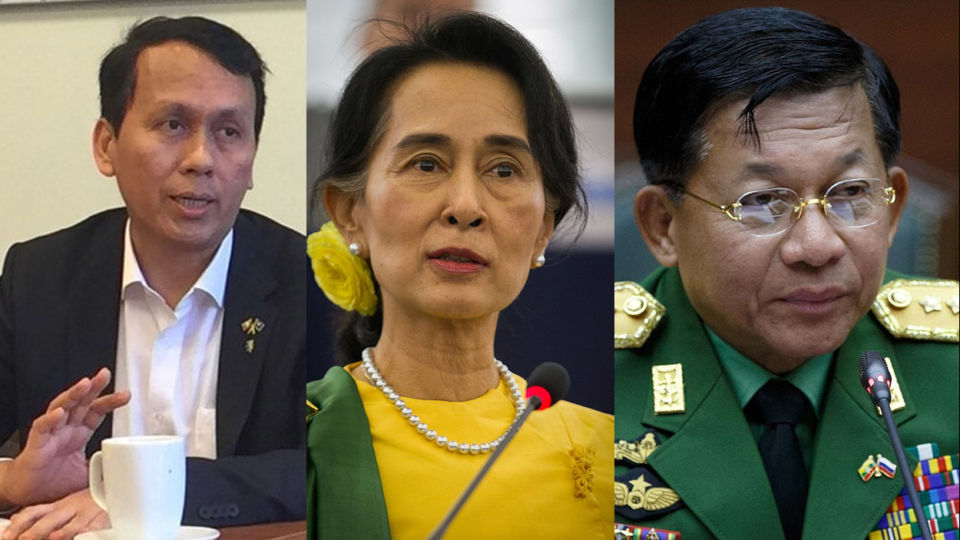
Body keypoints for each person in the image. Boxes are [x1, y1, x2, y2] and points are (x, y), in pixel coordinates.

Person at [615, 7, 959, 540]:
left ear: (892, 211)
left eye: (850, 194)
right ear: (663, 225)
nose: (817, 246)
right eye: (762, 202)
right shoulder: (577, 393)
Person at [306, 12, 613, 540]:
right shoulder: (304, 439)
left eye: (503, 170)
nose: (466, 207)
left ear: (543, 228)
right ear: (349, 211)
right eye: (426, 164)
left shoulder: (610, 452)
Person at [0, 16, 304, 539]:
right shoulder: (39, 277)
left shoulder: (312, 284)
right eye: (173, 125)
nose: (201, 159)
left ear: (253, 160)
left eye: (229, 132)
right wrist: (14, 481)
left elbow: (335, 464)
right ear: (106, 146)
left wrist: (141, 493)